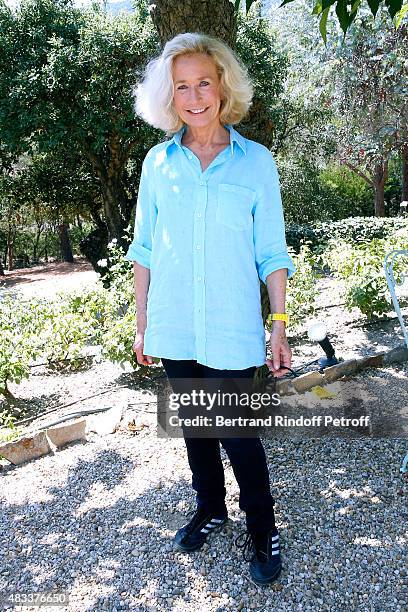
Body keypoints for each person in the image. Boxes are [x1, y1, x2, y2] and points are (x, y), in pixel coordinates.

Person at [124, 32, 296, 586]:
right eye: (182, 87)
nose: (195, 96)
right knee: (195, 428)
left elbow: (271, 251)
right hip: (175, 325)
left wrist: (279, 327)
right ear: (169, 97)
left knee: (238, 435)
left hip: (229, 329)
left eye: (204, 82)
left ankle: (263, 525)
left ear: (223, 86)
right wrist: (143, 322)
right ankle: (210, 507)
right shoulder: (157, 163)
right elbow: (144, 247)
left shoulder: (255, 163)